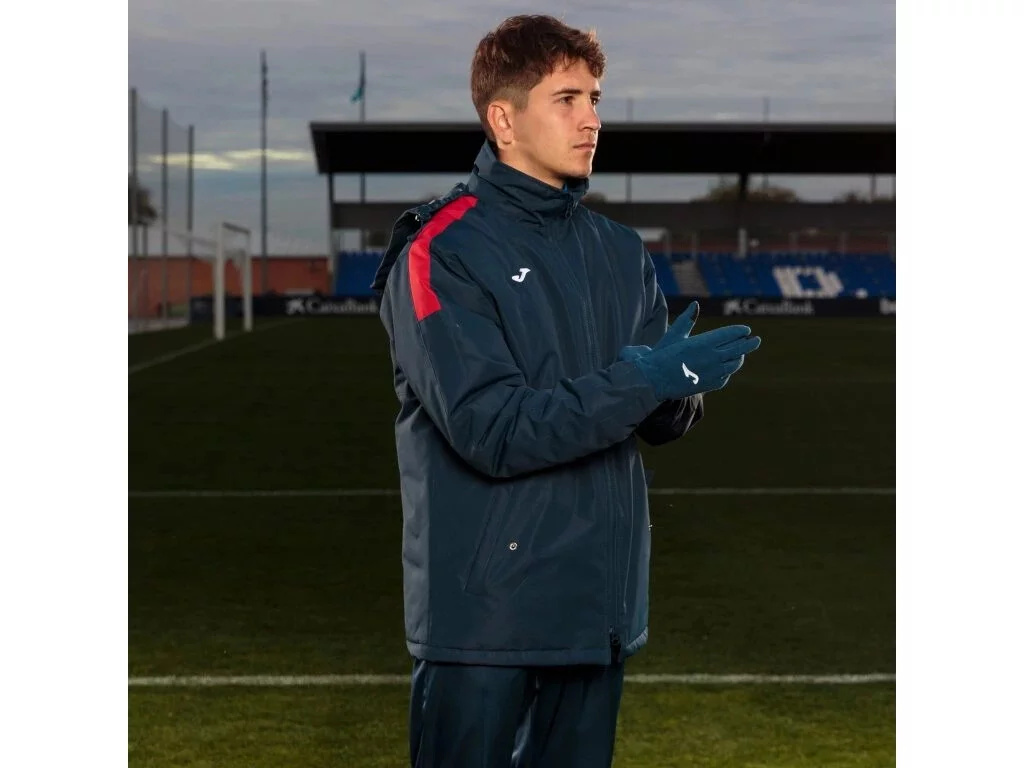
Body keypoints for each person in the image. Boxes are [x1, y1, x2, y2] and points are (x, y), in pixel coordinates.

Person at [371, 14, 761, 768]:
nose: (592, 120)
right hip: (486, 619)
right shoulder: (441, 249)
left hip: (595, 610)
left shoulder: (618, 250)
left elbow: (658, 421)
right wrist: (645, 378)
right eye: (567, 99)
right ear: (503, 119)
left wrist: (678, 391)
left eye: (595, 98)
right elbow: (492, 430)